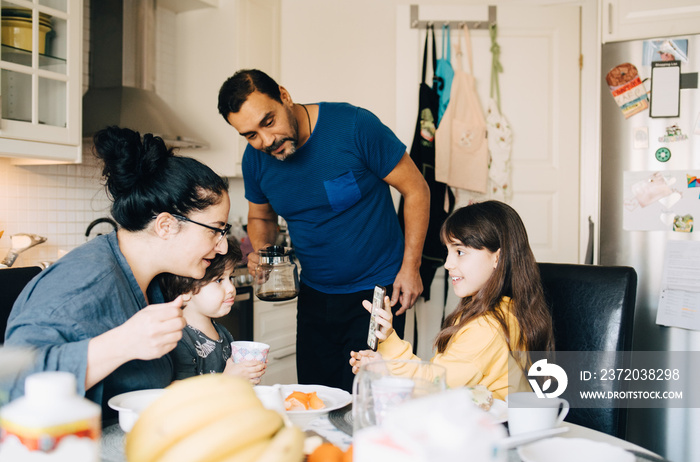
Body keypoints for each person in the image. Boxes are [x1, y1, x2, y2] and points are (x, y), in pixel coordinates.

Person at [217, 69, 430, 392]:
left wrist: (410, 267)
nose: (265, 140)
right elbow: (261, 218)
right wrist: (261, 249)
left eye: (268, 121)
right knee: (317, 396)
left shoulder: (354, 127)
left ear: (284, 96)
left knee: (367, 397)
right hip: (315, 294)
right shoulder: (256, 161)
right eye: (250, 135)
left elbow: (417, 190)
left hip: (375, 291)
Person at [3, 126, 231, 420]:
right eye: (216, 230)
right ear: (165, 225)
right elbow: (12, 383)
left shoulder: (152, 282)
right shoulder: (86, 281)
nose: (222, 246)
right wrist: (123, 342)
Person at [349, 201, 555, 400]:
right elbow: (448, 375)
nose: (447, 263)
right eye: (448, 251)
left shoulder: (488, 327)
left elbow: (434, 385)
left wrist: (389, 340)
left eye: (460, 252)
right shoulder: (503, 311)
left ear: (497, 258)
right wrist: (384, 366)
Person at [160, 237, 266, 383]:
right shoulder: (179, 341)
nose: (231, 288)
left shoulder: (223, 334)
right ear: (185, 289)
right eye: (219, 280)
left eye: (231, 278)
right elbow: (182, 399)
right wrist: (228, 380)